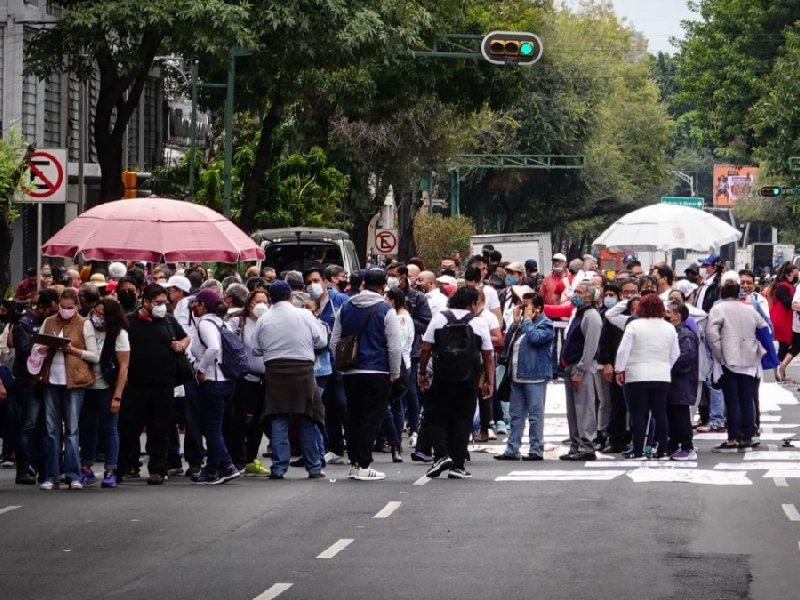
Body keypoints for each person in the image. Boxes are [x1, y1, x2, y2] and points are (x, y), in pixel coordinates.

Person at [331, 269, 402, 482]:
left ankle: (354, 463)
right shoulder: (385, 310)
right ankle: (363, 464)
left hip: (351, 371)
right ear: (383, 287)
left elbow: (334, 340)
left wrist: (340, 365)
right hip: (378, 370)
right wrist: (395, 372)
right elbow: (394, 346)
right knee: (372, 418)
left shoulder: (346, 306)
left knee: (353, 416)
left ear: (363, 284)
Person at [253, 281, 328, 479]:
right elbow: (322, 340)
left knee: (278, 417)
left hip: (275, 371)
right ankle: (314, 466)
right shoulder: (304, 315)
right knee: (307, 417)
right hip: (303, 371)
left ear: (270, 298)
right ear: (290, 296)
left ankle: (278, 467)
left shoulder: (264, 319)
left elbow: (255, 349)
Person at [418, 286, 495, 479]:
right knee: (463, 419)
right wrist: (489, 381)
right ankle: (458, 465)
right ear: (472, 303)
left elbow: (426, 347)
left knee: (437, 416)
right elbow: (488, 355)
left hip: (442, 376)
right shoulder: (478, 322)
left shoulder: (439, 318)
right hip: (469, 378)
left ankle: (441, 455)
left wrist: (422, 373)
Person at [118, 283, 190, 486]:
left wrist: (180, 345)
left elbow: (185, 337)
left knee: (160, 428)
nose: (161, 306)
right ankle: (126, 465)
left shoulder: (168, 321)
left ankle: (158, 468)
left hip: (163, 385)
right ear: (146, 302)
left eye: (164, 302)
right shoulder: (129, 322)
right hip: (135, 385)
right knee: (130, 427)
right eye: (157, 302)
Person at [38, 287, 99, 490]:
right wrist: (44, 347)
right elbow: (35, 348)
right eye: (63, 307)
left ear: (77, 306)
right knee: (51, 430)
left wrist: (71, 350)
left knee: (72, 431)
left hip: (74, 381)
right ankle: (51, 475)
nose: (65, 310)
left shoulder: (84, 324)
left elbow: (94, 355)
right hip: (51, 380)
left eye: (70, 307)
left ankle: (73, 474)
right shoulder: (48, 322)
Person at [706, 280, 770, 453]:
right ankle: (747, 437)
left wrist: (719, 354)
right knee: (747, 399)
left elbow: (711, 334)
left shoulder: (718, 309)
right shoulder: (749, 308)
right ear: (738, 293)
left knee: (732, 399)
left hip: (729, 357)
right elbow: (764, 326)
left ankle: (732, 438)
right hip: (750, 357)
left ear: (721, 293)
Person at [614, 294, 679, 460]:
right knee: (660, 413)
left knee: (638, 414)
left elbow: (623, 351)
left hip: (637, 374)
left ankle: (638, 450)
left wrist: (619, 369)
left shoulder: (634, 325)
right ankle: (662, 449)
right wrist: (666, 366)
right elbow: (675, 353)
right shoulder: (669, 327)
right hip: (661, 374)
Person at [188, 288, 241, 485]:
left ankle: (213, 471)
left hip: (213, 382)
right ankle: (226, 465)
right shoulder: (222, 323)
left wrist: (201, 369)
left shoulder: (206, 324)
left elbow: (214, 348)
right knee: (211, 426)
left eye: (196, 303)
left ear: (202, 305)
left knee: (212, 428)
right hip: (226, 382)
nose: (193, 306)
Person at [495, 292, 553, 461]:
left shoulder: (546, 324)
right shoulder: (521, 324)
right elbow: (507, 345)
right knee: (516, 415)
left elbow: (535, 339)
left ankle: (536, 449)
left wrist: (527, 321)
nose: (523, 309)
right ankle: (512, 449)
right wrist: (514, 324)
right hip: (516, 376)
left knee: (535, 415)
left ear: (538, 308)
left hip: (535, 377)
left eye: (526, 306)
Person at [79, 298, 130, 488]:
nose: (97, 317)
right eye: (95, 313)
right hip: (86, 386)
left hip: (107, 387)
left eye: (102, 314)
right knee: (87, 428)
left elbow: (124, 367)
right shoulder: (86, 328)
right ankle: (86, 467)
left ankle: (110, 469)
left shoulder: (118, 334)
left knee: (109, 428)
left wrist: (117, 395)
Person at [13, 289, 59, 485]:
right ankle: (24, 468)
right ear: (42, 307)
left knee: (45, 425)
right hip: (29, 381)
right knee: (28, 424)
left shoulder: (50, 323)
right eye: (51, 309)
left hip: (47, 379)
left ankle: (43, 467)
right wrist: (45, 345)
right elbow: (24, 351)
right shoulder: (24, 324)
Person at [224, 290, 270, 476]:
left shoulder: (270, 322)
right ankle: (237, 458)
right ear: (248, 303)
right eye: (257, 301)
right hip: (245, 379)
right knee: (242, 419)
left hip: (265, 379)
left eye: (264, 301)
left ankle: (251, 458)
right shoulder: (237, 322)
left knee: (259, 420)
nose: (260, 305)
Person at [385, 263, 431, 448]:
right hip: (394, 353)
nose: (391, 278)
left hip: (412, 352)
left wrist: (406, 321)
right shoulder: (387, 297)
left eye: (394, 275)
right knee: (395, 396)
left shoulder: (417, 297)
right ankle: (396, 432)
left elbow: (426, 322)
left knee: (410, 390)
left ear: (403, 276)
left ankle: (413, 427)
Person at [559, 281, 603, 461]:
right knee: (573, 408)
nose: (574, 295)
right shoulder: (579, 313)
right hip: (571, 365)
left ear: (588, 296)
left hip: (581, 366)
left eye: (578, 292)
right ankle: (576, 443)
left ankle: (586, 446)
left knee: (584, 407)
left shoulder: (591, 316)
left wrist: (581, 370)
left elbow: (590, 347)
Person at [383, 288, 415, 462]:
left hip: (397, 365)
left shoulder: (397, 319)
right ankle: (394, 441)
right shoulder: (408, 318)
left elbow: (397, 345)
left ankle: (393, 440)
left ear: (393, 300)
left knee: (391, 404)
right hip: (405, 364)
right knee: (397, 404)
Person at [665, 302, 699, 461]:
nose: (665, 315)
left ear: (677, 316)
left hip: (681, 382)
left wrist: (667, 366)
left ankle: (687, 446)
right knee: (671, 414)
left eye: (668, 312)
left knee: (680, 414)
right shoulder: (672, 332)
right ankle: (673, 444)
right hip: (672, 382)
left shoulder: (685, 334)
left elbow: (686, 358)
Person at [769, 262, 800, 381]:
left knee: (787, 343)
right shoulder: (783, 286)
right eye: (795, 274)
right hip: (783, 318)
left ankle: (780, 369)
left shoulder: (785, 285)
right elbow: (787, 302)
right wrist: (796, 300)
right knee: (785, 343)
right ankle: (779, 367)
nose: (796, 276)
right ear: (787, 275)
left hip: (784, 317)